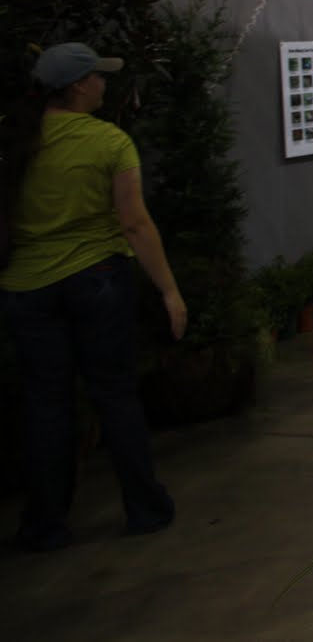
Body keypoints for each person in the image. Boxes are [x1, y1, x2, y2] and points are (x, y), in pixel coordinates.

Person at [0, 43, 187, 551]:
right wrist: (169, 290)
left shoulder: (17, 138)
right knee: (114, 395)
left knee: (45, 406)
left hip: (26, 287)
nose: (105, 84)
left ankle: (45, 523)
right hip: (97, 280)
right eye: (98, 77)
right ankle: (145, 508)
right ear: (79, 85)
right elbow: (133, 222)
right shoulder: (109, 142)